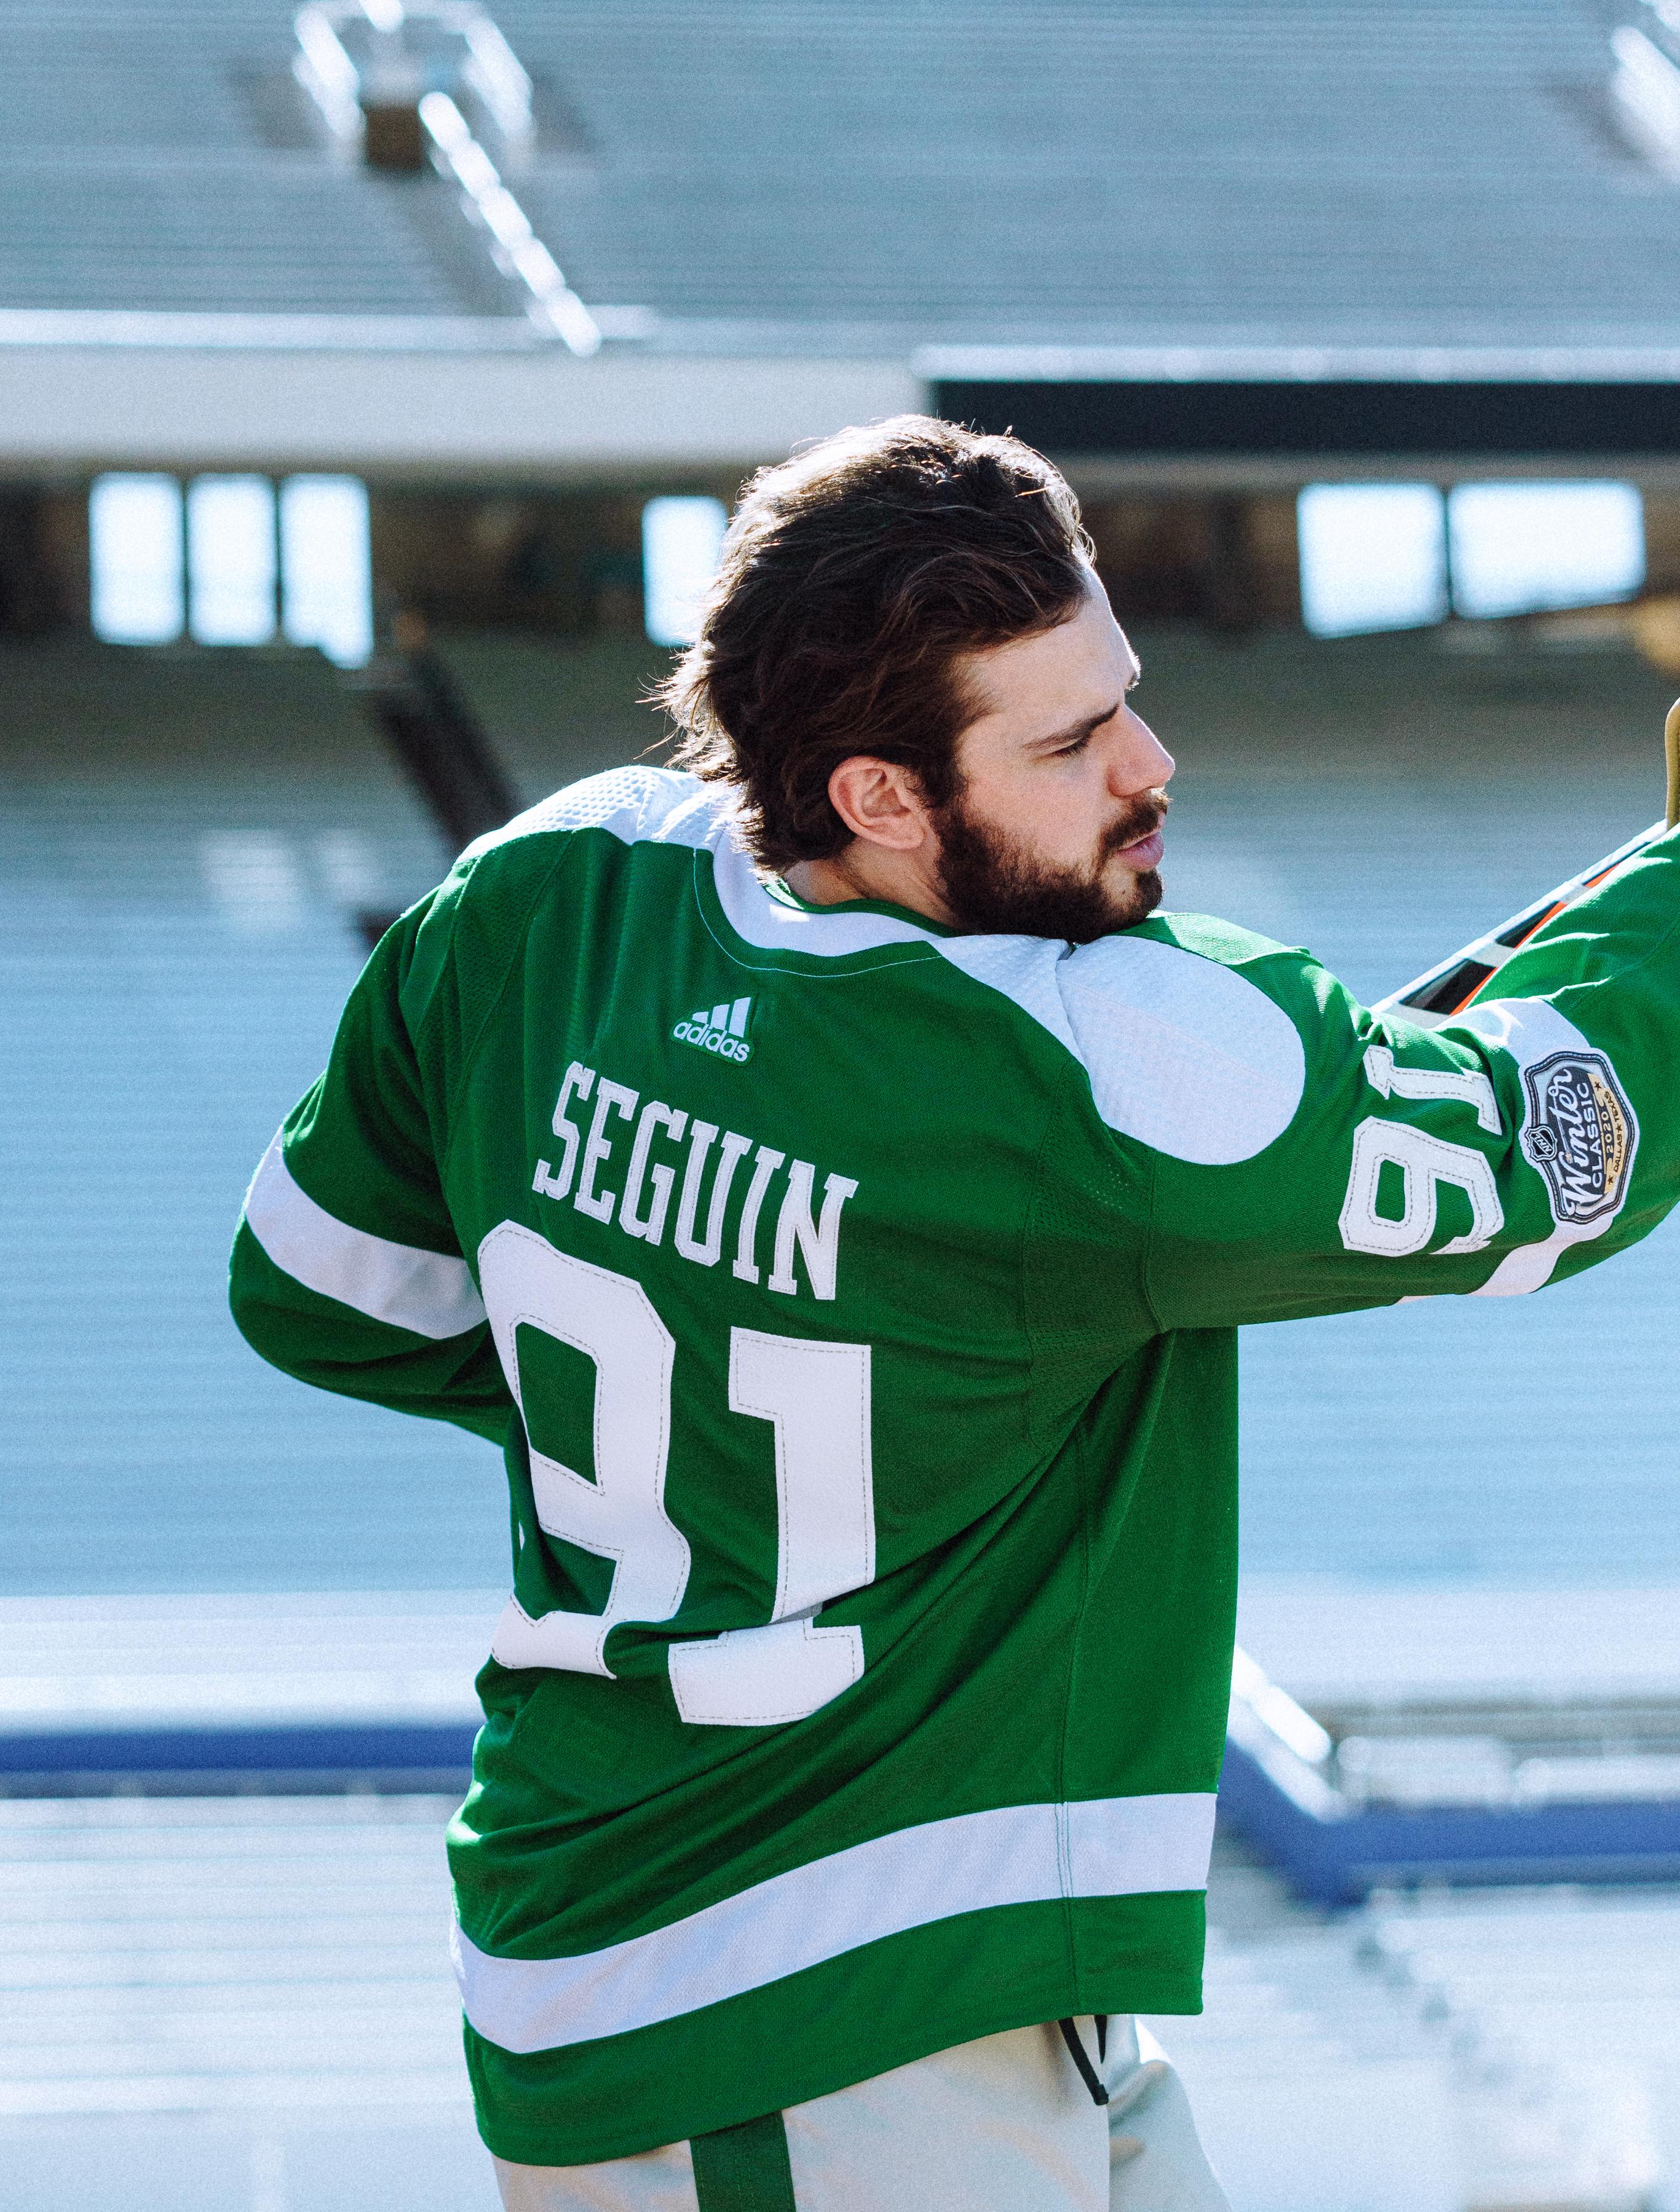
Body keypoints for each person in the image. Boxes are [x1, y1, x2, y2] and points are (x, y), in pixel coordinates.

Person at [230, 416, 1678, 2211]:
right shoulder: (1108, 1067)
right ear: (880, 794)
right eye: (1068, 743)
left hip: (891, 1983)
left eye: (1123, 695)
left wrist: (733, 1381)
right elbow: (1551, 1149)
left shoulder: (541, 893)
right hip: (778, 2012)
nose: (1152, 764)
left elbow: (315, 1292)